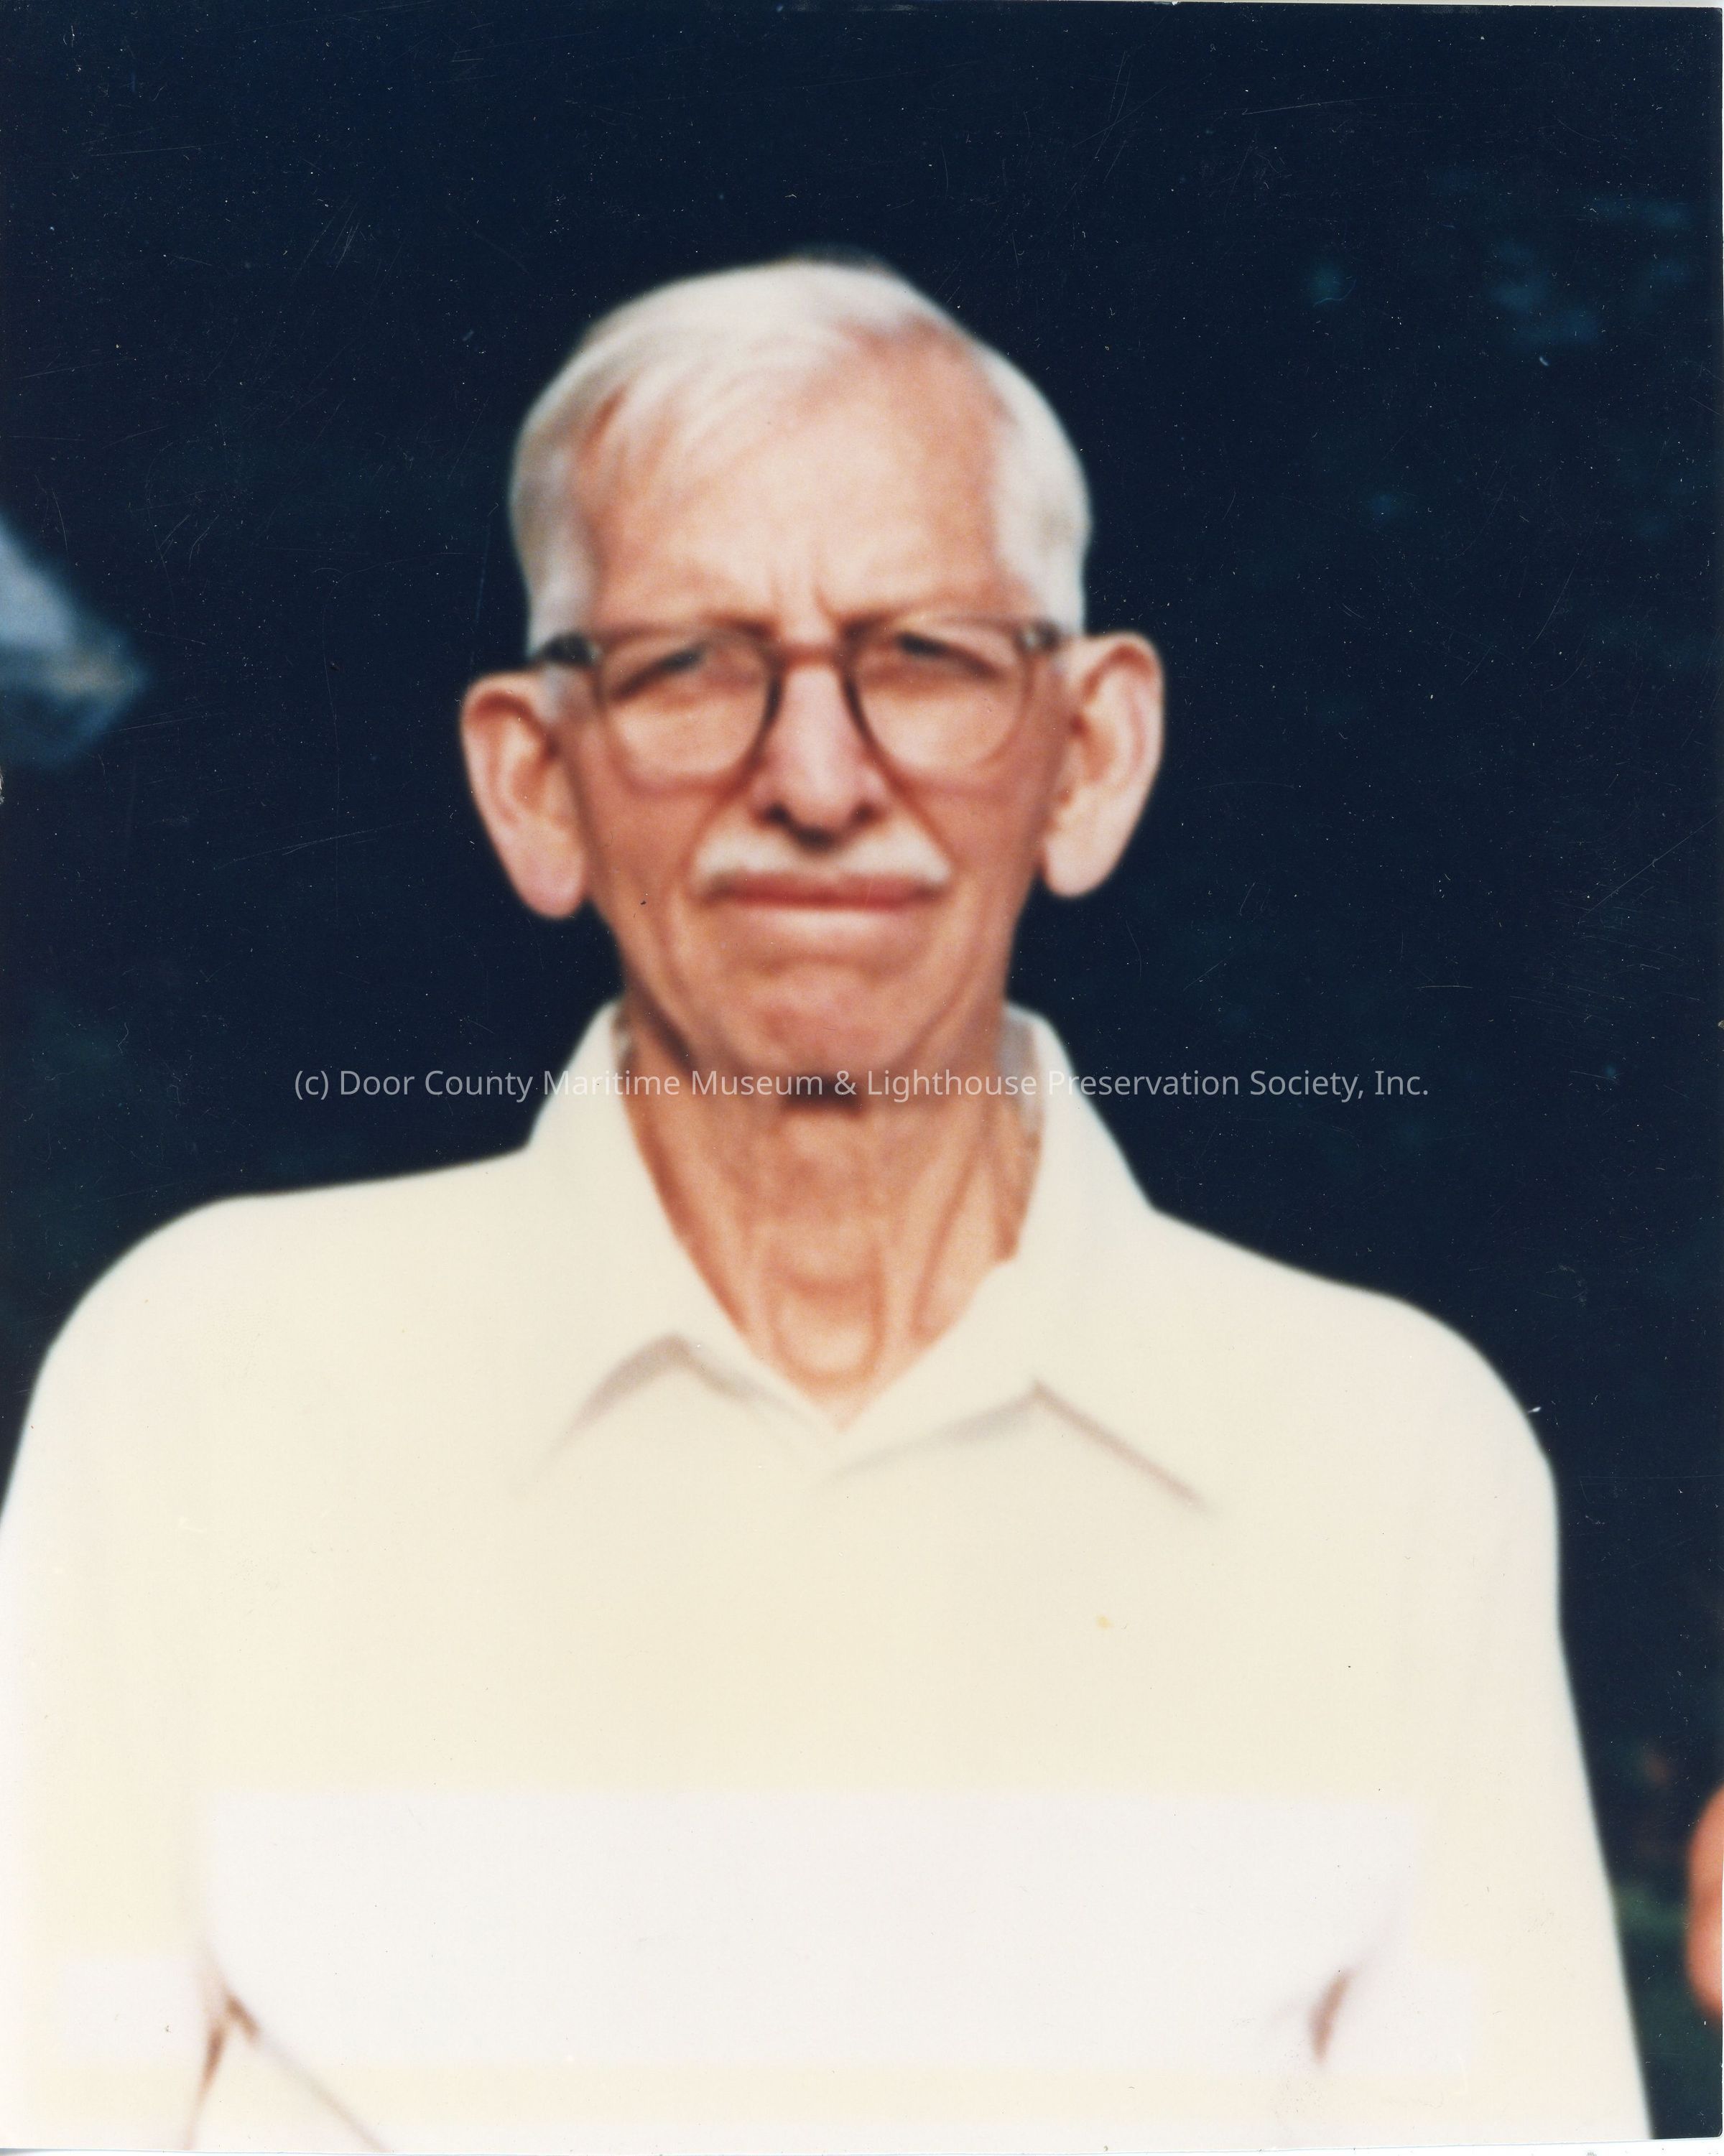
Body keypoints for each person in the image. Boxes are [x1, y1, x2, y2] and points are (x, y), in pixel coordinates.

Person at [0, 256, 1648, 2153]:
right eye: (688, 664)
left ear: (1090, 755)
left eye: (926, 656)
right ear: (536, 783)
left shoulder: (1384, 1454)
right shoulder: (208, 1391)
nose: (812, 775)